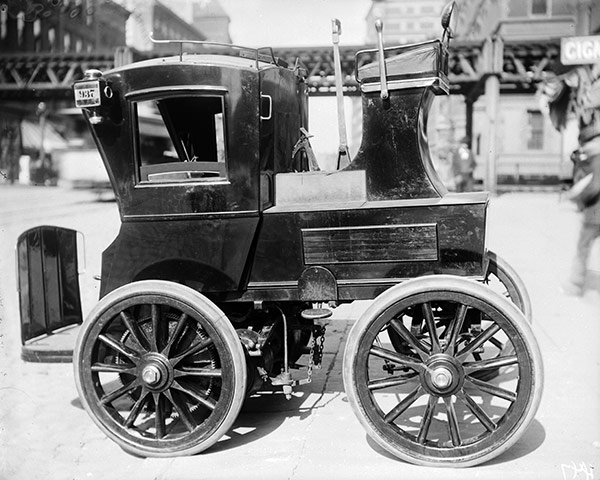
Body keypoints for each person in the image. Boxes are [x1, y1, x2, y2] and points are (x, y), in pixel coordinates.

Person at [563, 139, 600, 296]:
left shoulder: (597, 161)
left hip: (594, 214)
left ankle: (575, 284)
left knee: (582, 248)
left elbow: (595, 186)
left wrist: (577, 197)